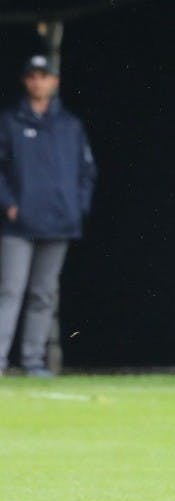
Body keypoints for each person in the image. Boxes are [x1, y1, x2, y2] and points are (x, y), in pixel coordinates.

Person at [0, 55, 96, 377]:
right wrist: (8, 203)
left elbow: (86, 172)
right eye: (33, 76)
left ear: (54, 81)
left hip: (59, 222)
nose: (38, 82)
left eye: (44, 76)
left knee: (43, 294)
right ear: (26, 81)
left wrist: (76, 206)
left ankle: (32, 360)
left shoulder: (69, 125)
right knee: (10, 290)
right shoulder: (10, 121)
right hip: (18, 225)